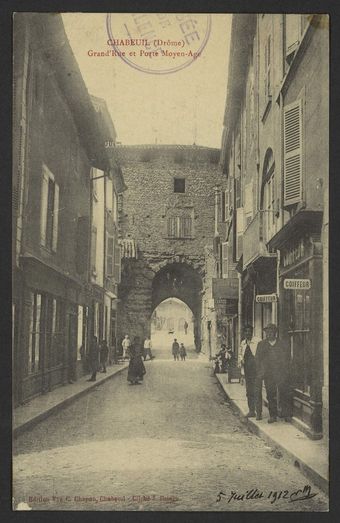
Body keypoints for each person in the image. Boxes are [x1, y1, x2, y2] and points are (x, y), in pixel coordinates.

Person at [256, 323, 292, 424]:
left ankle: (286, 414)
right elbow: (257, 359)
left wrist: (285, 371)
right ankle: (273, 415)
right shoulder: (261, 344)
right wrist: (261, 371)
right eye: (267, 332)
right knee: (270, 395)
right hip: (268, 374)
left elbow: (287, 359)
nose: (269, 334)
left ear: (275, 333)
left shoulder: (282, 344)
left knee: (284, 393)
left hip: (281, 373)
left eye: (271, 332)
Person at [238, 325, 262, 420]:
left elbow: (262, 355)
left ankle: (259, 412)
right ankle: (251, 411)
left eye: (249, 331)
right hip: (248, 371)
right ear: (244, 333)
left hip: (257, 371)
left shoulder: (258, 341)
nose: (248, 333)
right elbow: (240, 354)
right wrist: (241, 360)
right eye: (246, 331)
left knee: (257, 391)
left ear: (252, 332)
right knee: (249, 392)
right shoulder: (243, 343)